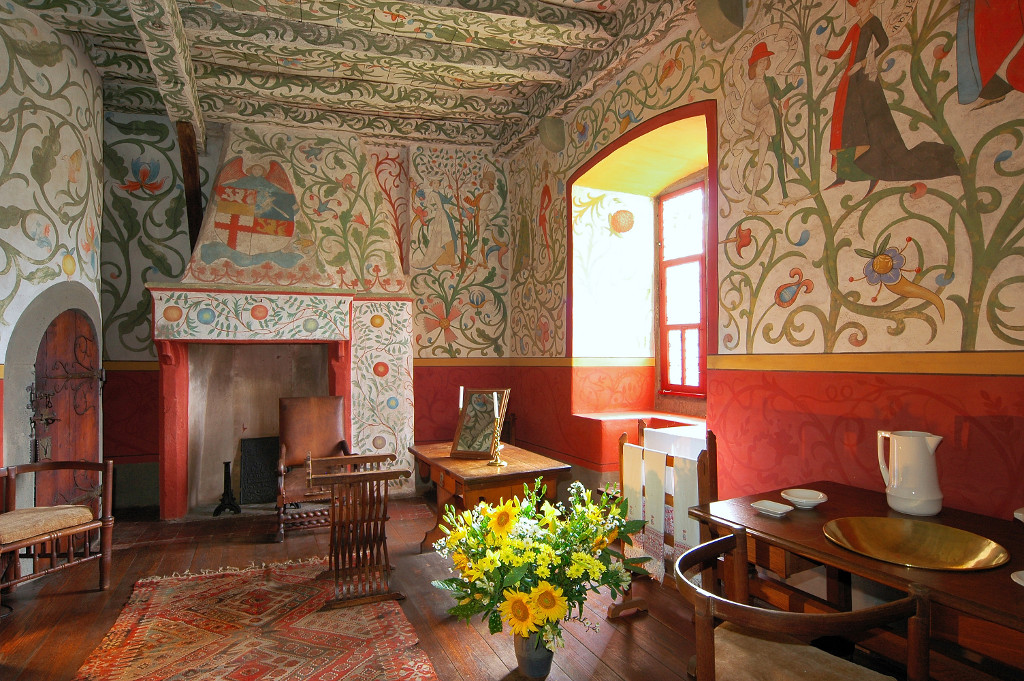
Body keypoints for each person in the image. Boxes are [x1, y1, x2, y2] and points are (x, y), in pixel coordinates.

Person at [816, 0, 959, 194]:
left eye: (862, 3)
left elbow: (884, 43)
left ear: (870, 3)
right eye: (856, 4)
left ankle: (874, 173)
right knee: (845, 125)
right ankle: (841, 175)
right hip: (849, 79)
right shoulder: (855, 27)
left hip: (865, 77)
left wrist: (864, 63)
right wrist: (823, 52)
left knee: (870, 126)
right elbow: (840, 51)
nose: (858, 6)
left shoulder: (873, 22)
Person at [742, 41, 799, 211]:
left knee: (780, 157)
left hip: (774, 118)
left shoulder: (771, 81)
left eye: (765, 62)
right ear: (754, 66)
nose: (763, 66)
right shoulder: (751, 90)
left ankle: (785, 195)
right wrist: (758, 120)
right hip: (763, 123)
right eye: (760, 63)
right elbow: (745, 113)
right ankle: (751, 201)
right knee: (760, 162)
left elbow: (779, 94)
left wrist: (792, 85)